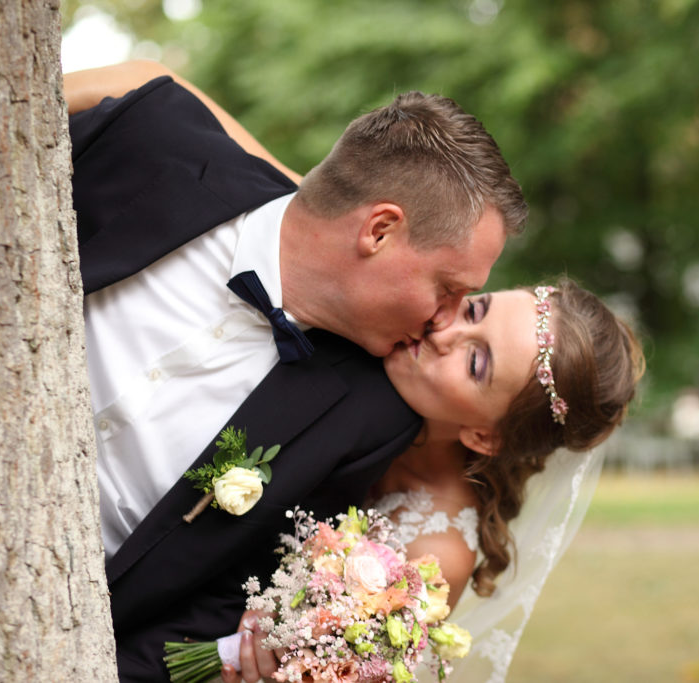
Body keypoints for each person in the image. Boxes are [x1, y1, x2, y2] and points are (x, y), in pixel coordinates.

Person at [64, 60, 527, 681]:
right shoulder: (151, 140)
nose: (443, 322)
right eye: (450, 290)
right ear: (380, 230)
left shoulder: (365, 417)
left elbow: (208, 613)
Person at [223, 280, 644, 682]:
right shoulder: (364, 342)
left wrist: (274, 641)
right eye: (474, 309)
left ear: (486, 436)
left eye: (475, 362)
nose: (444, 330)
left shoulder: (435, 551)